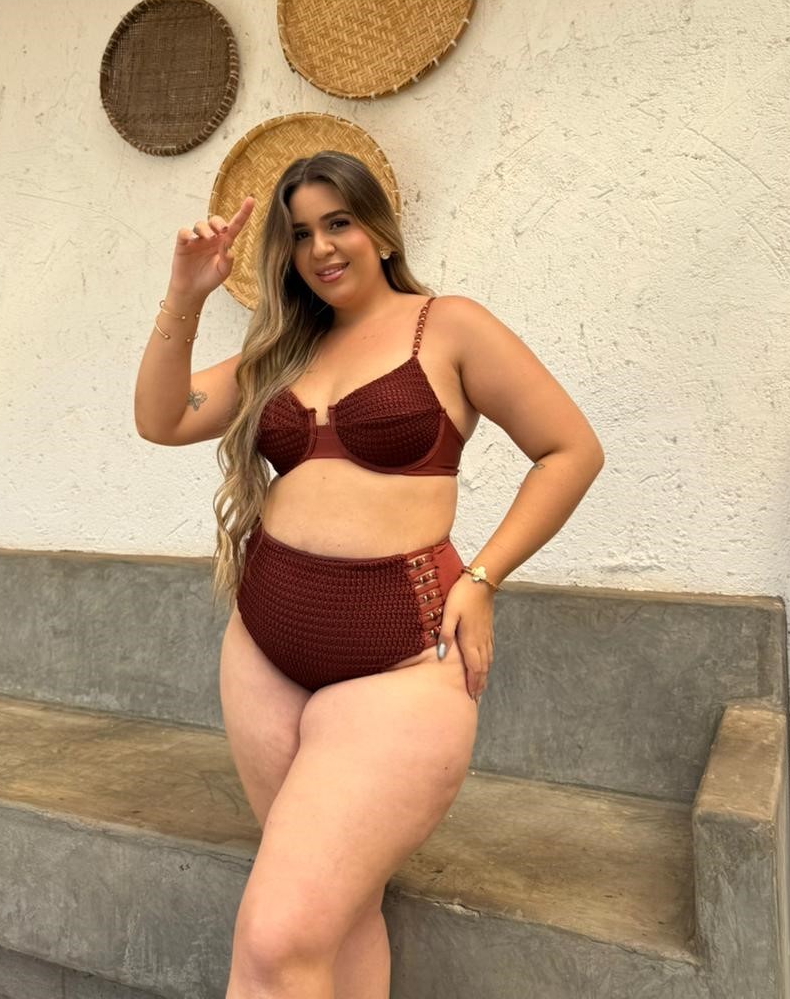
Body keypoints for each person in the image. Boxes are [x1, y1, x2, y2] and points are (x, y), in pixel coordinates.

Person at [134, 150, 604, 999]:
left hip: (400, 664)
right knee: (337, 918)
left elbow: (570, 451)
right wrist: (185, 294)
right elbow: (161, 418)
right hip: (265, 653)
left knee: (276, 938)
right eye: (299, 234)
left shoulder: (449, 327)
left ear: (380, 231)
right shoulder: (283, 349)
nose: (321, 247)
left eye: (339, 222)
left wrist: (483, 578)